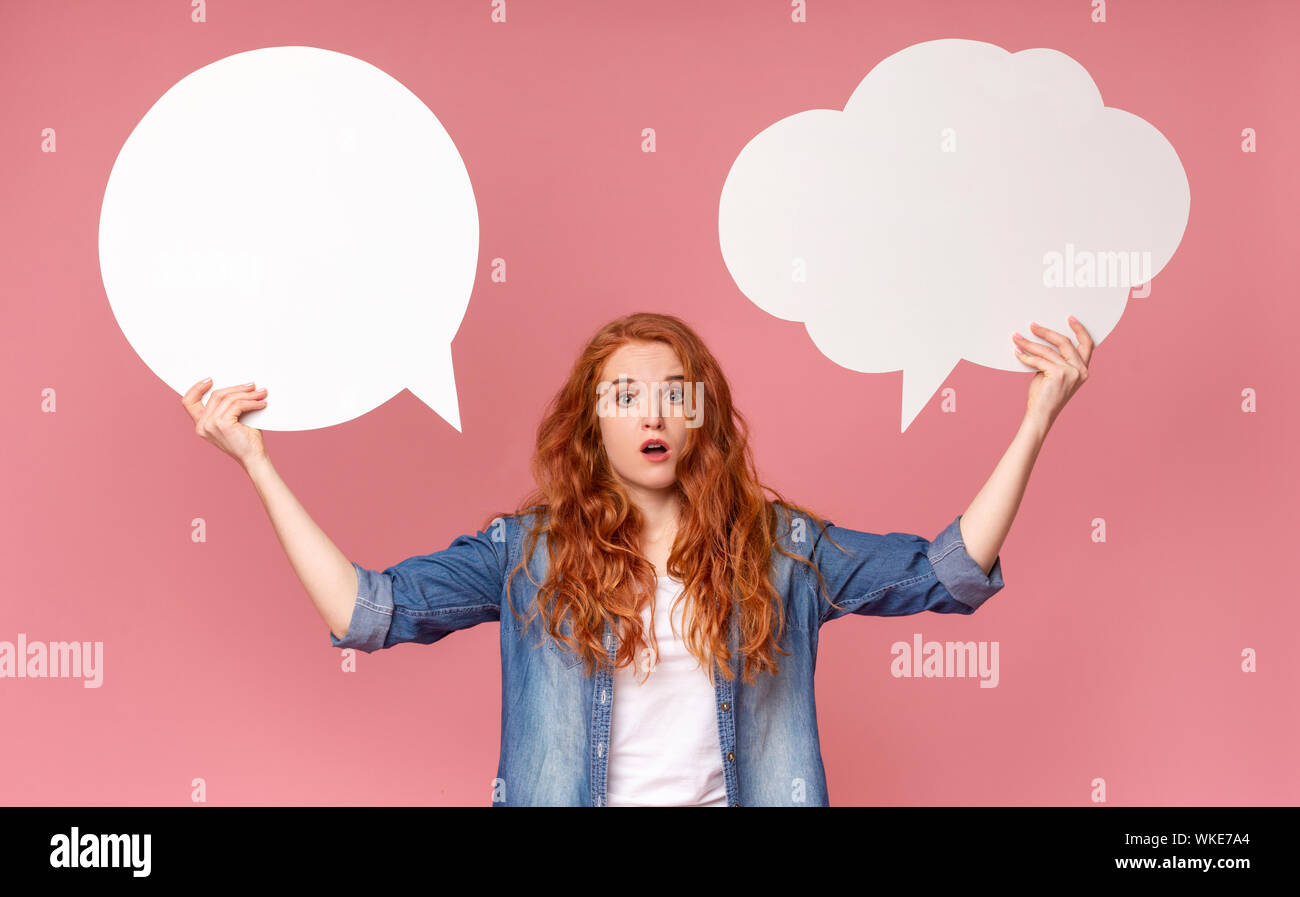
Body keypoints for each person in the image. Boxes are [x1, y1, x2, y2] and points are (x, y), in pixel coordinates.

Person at [182, 312, 1093, 806]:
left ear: (700, 414)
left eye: (671, 393)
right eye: (625, 394)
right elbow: (365, 611)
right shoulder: (528, 554)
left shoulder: (784, 552)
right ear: (595, 422)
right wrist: (258, 464)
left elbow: (946, 573)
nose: (650, 413)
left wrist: (1035, 421)